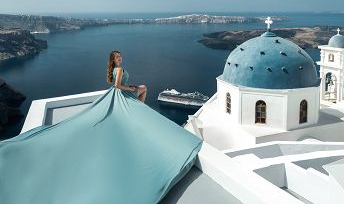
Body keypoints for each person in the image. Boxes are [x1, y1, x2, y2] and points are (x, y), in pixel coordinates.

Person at [0, 50, 202, 204]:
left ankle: (138, 107)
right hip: (122, 94)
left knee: (142, 89)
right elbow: (117, 87)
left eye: (121, 57)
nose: (121, 59)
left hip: (117, 95)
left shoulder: (113, 70)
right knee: (144, 88)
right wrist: (130, 87)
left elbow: (112, 84)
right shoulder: (120, 70)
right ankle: (139, 109)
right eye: (118, 58)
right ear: (114, 61)